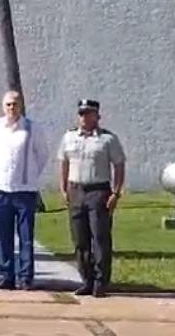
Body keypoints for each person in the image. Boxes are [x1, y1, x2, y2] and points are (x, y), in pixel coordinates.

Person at [0, 90, 48, 290]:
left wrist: (30, 175)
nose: (12, 108)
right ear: (3, 106)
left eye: (15, 104)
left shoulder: (31, 128)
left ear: (21, 106)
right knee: (4, 236)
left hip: (24, 191)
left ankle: (26, 277)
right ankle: (7, 276)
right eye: (8, 104)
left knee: (26, 237)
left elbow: (42, 154)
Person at [57, 99, 126, 297]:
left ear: (97, 116)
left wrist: (116, 192)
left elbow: (119, 165)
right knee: (80, 238)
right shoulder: (69, 137)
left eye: (89, 113)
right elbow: (63, 163)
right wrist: (63, 189)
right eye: (81, 114)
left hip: (99, 191)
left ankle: (100, 281)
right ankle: (86, 279)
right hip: (76, 190)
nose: (84, 117)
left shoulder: (108, 139)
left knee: (100, 237)